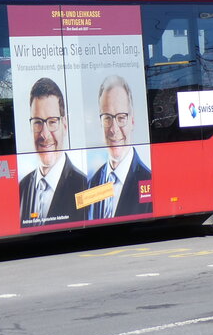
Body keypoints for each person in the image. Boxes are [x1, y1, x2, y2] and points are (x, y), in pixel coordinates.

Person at [18, 77, 87, 225]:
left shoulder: (83, 184)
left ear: (65, 125)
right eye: (37, 122)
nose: (44, 134)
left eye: (52, 122)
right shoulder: (22, 187)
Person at [86, 74, 152, 219]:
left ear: (132, 121)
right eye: (107, 118)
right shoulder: (92, 183)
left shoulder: (148, 178)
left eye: (121, 118)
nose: (114, 129)